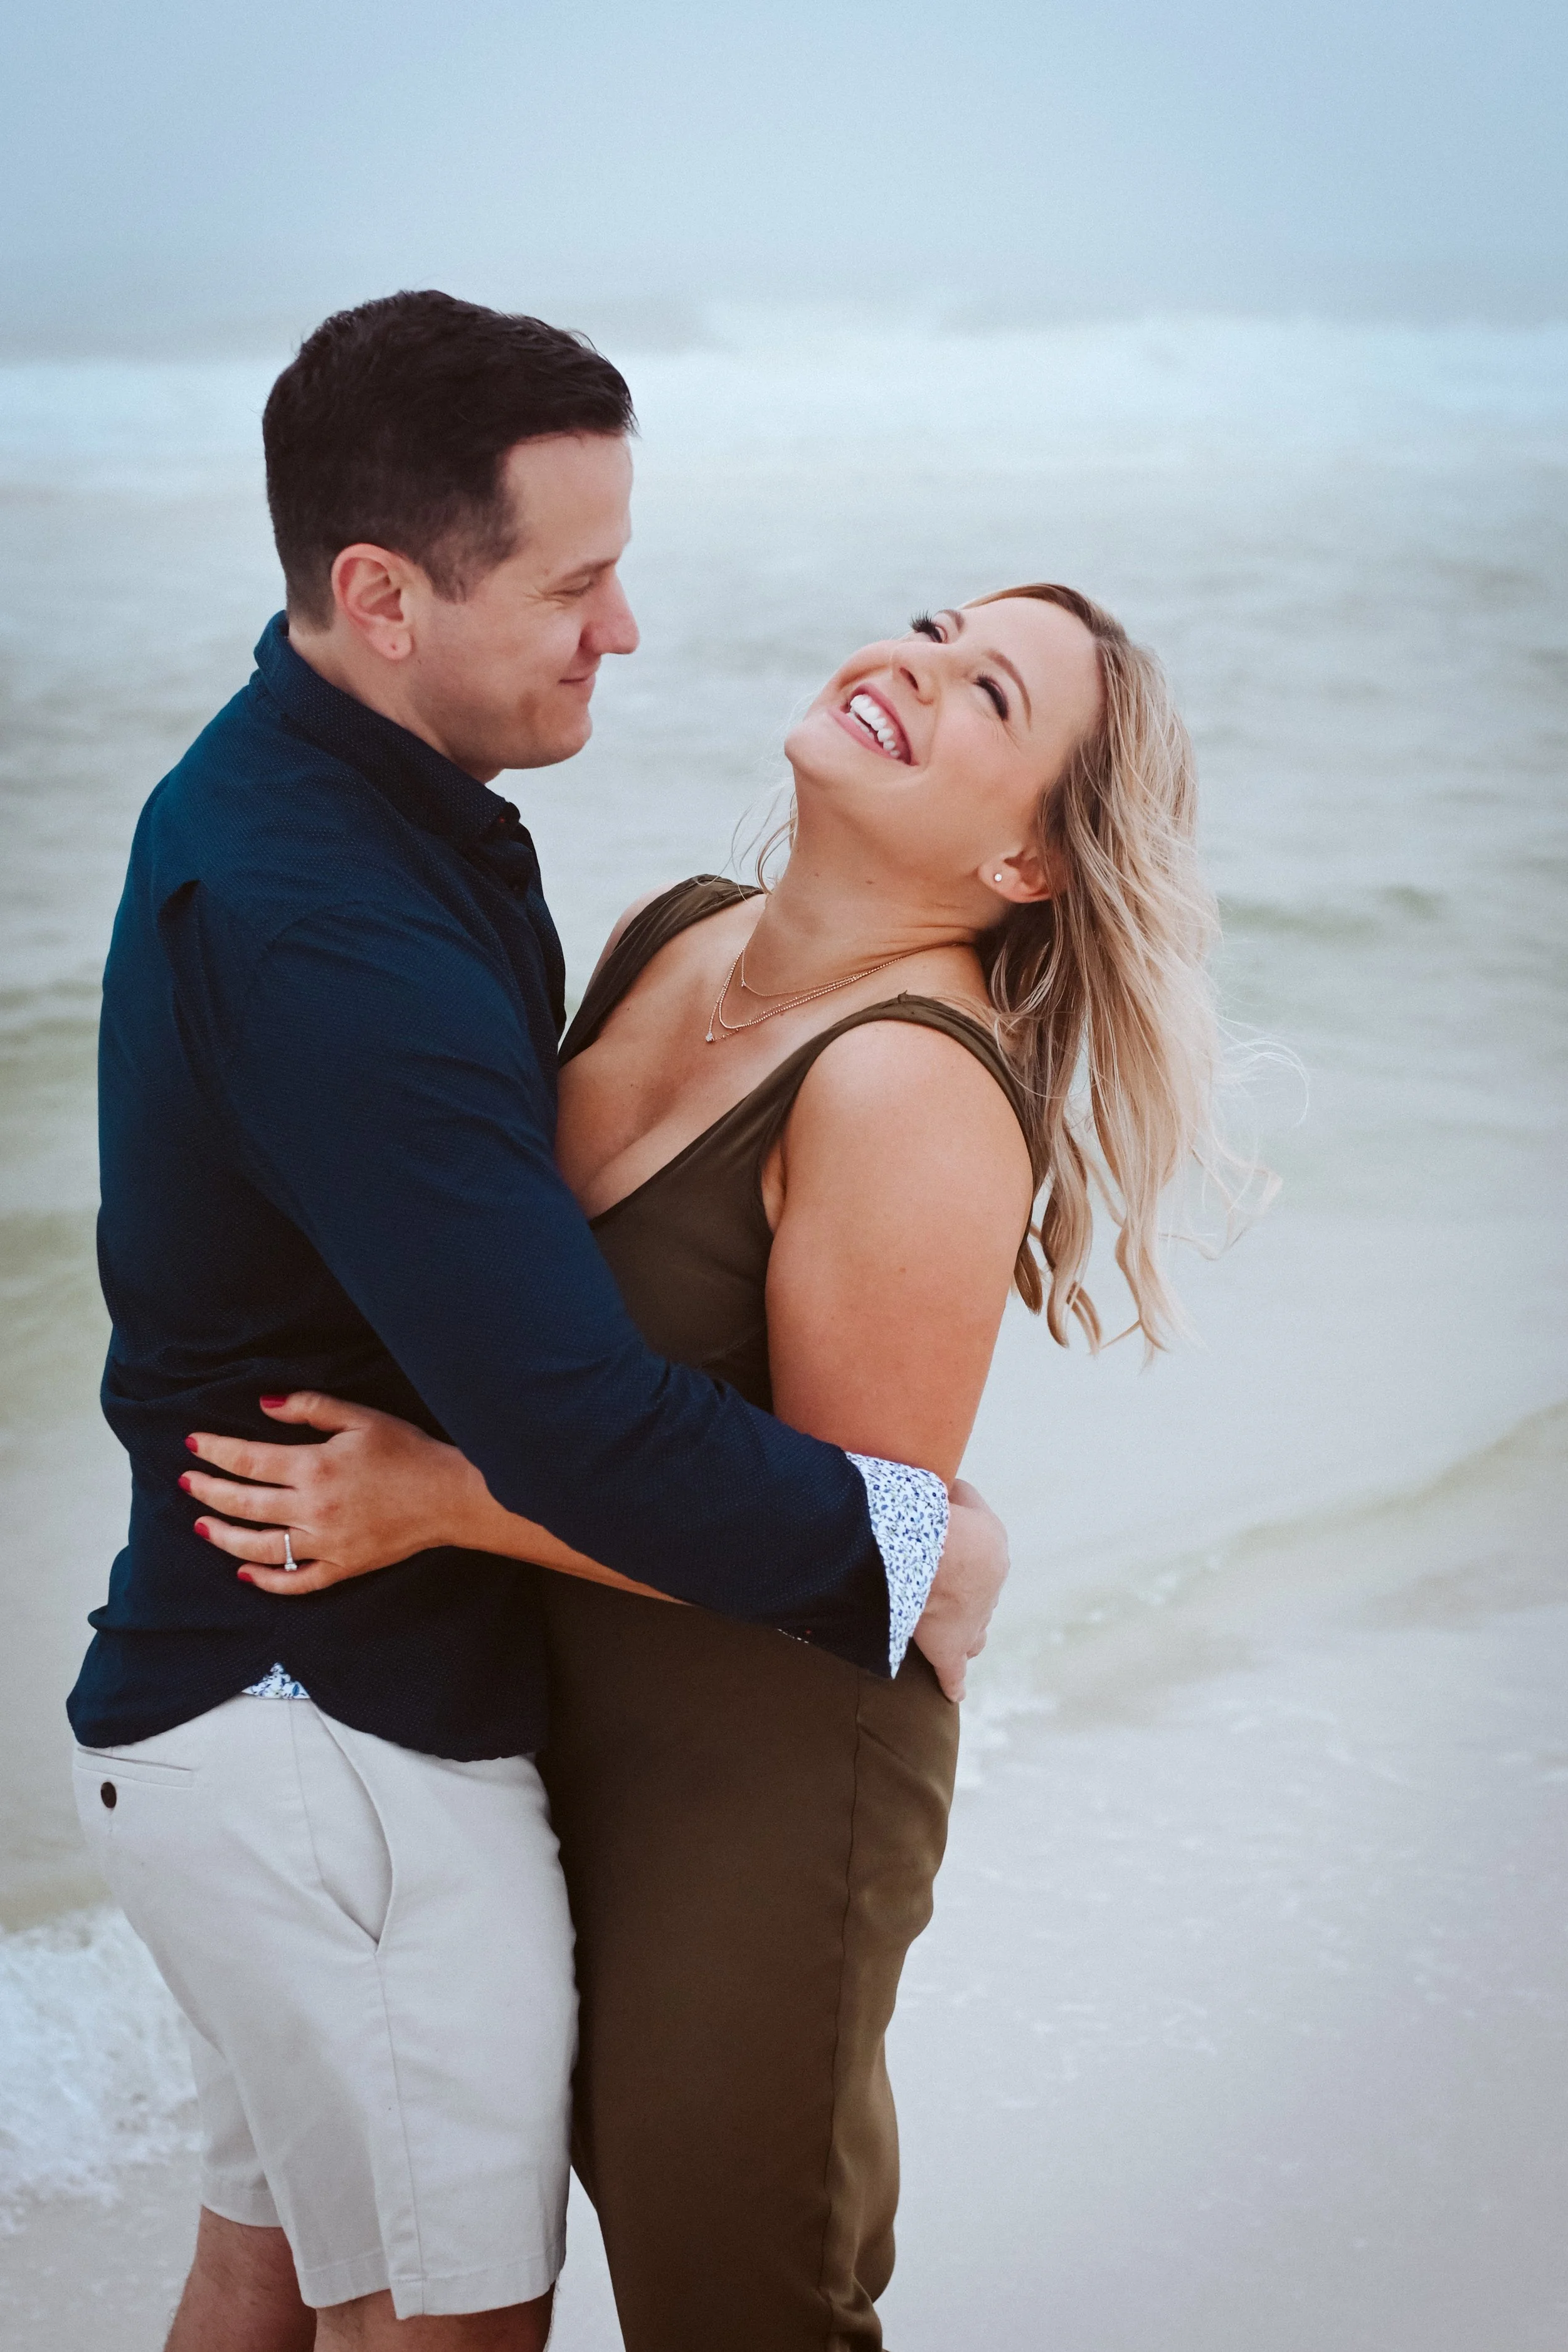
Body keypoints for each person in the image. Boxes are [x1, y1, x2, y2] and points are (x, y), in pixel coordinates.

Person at [66, 291, 1012, 2352]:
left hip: (242, 1706)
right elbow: (574, 1412)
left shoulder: (377, 818)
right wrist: (919, 1542)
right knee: (451, 2327)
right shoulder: (331, 914)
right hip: (331, 1737)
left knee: (268, 2275)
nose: (626, 630)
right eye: (577, 583)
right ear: (381, 594)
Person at [184, 576, 1238, 2348]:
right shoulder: (673, 933)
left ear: (1029, 865)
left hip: (758, 1796)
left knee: (733, 2307)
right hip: (534, 1727)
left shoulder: (913, 1085)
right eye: (927, 623)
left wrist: (437, 1496)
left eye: (986, 691)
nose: (911, 661)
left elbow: (833, 1545)